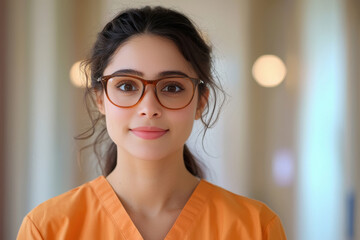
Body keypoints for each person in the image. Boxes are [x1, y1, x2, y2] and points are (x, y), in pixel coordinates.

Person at [17, 6, 287, 240]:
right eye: (126, 85)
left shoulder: (256, 227)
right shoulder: (47, 228)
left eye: (171, 87)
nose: (149, 108)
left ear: (200, 101)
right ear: (100, 98)